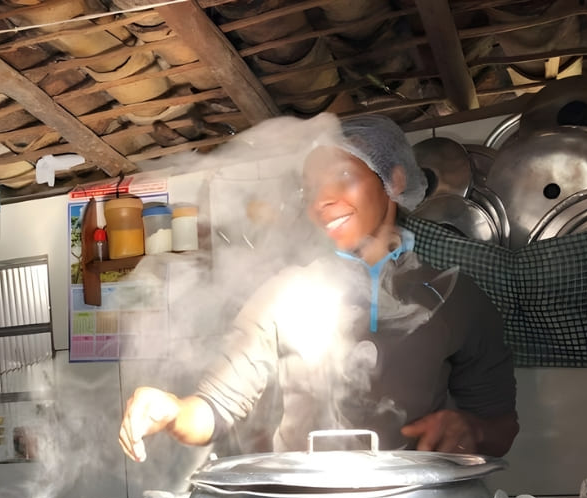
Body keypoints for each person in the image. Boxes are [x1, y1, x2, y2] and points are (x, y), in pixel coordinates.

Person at [119, 113, 518, 461]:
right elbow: (215, 407)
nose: (321, 201)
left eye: (342, 177)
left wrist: (472, 429)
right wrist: (173, 410)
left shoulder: (453, 298)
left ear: (394, 182)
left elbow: (502, 428)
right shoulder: (286, 294)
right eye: (310, 189)